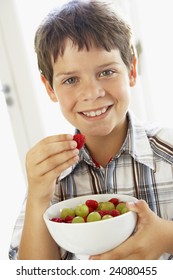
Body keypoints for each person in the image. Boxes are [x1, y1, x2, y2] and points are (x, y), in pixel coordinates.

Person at [9, 0, 173, 260]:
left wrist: (166, 236)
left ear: (131, 69)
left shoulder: (169, 151)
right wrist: (38, 198)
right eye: (71, 80)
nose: (92, 93)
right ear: (50, 88)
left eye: (107, 71)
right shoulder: (50, 173)